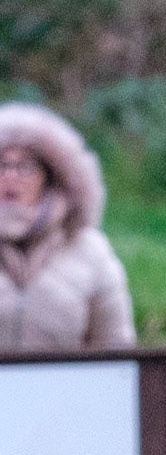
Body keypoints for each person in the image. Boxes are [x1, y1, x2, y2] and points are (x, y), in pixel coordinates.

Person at [0, 102, 136, 351]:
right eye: (1, 165)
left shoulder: (90, 251)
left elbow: (115, 349)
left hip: (67, 378)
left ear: (51, 176)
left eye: (25, 166)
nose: (10, 176)